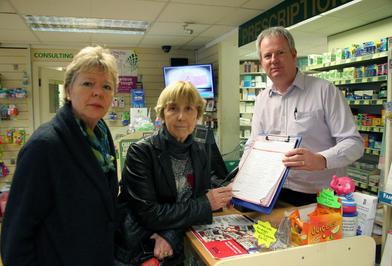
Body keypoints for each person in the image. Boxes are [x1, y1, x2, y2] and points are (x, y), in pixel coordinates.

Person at [1, 45, 119, 265]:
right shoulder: (44, 147)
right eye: (87, 83)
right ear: (68, 90)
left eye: (106, 86)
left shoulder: (102, 137)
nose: (98, 92)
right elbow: (15, 239)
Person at [240, 26, 364, 207]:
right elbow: (253, 145)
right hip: (275, 194)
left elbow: (355, 143)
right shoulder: (262, 99)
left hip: (321, 196)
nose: (274, 60)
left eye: (280, 52)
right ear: (261, 62)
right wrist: (240, 181)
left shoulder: (324, 91)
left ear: (293, 54)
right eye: (268, 56)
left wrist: (321, 160)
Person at [114, 81, 233, 266]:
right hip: (139, 251)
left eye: (188, 109)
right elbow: (149, 214)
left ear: (197, 115)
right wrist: (206, 203)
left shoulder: (199, 151)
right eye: (173, 108)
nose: (181, 117)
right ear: (162, 114)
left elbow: (197, 203)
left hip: (172, 248)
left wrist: (222, 196)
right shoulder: (141, 153)